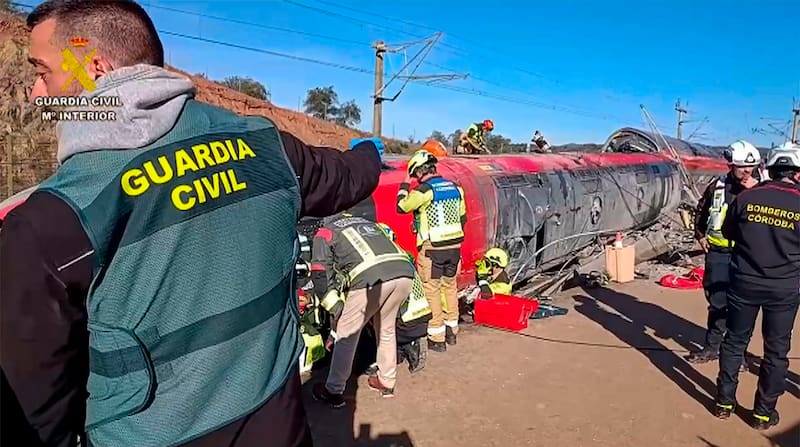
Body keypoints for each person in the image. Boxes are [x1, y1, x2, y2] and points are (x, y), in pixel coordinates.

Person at [0, 1, 382, 446]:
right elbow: (348, 176)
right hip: (277, 425)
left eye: (44, 72)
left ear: (95, 70)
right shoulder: (268, 147)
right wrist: (369, 151)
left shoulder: (52, 216)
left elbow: (33, 407)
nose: (37, 94)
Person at [713, 145, 800, 429]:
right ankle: (763, 413)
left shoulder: (747, 197)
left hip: (744, 283)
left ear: (770, 171)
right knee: (776, 351)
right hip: (784, 289)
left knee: (735, 341)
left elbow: (728, 232)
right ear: (797, 175)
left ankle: (724, 402)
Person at [310, 214, 415, 406]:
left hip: (370, 278)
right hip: (404, 271)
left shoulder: (325, 232)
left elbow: (320, 275)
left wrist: (336, 308)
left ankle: (333, 390)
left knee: (347, 333)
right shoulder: (365, 222)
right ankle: (386, 381)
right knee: (386, 329)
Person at [686, 140, 761, 367]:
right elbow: (702, 210)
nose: (747, 171)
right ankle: (712, 348)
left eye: (751, 166)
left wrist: (756, 191)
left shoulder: (762, 189)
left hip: (747, 256)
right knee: (718, 303)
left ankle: (737, 354)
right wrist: (700, 235)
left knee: (742, 307)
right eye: (742, 167)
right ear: (730, 165)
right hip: (718, 253)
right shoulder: (717, 186)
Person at [396, 150, 467, 352]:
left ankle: (437, 338)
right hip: (455, 247)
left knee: (432, 290)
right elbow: (463, 218)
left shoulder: (424, 190)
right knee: (450, 287)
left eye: (415, 174)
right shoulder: (456, 188)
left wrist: (405, 184)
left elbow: (401, 206)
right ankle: (452, 331)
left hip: (432, 249)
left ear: (419, 172)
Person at [363, 223, 432, 375]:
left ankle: (379, 360)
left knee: (368, 315)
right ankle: (401, 350)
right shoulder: (404, 256)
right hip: (423, 316)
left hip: (404, 323)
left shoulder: (381, 263)